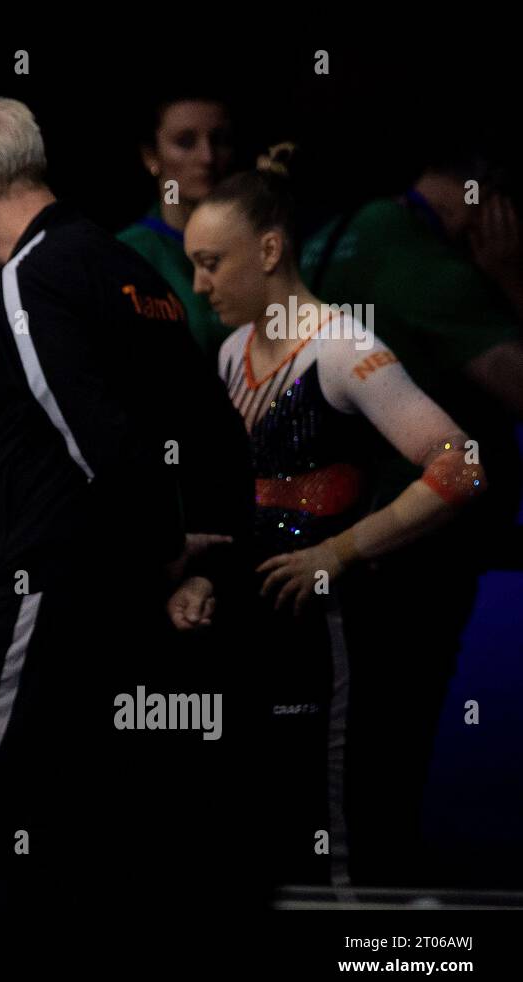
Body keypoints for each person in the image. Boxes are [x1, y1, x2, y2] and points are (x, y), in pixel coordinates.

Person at [0, 97, 261, 912]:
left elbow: (94, 438)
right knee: (75, 827)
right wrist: (204, 555)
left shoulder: (31, 276)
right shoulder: (126, 263)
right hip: (119, 601)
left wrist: (167, 548)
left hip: (53, 588)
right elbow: (213, 427)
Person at [185, 149, 489, 888]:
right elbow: (238, 492)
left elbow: (463, 464)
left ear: (269, 249)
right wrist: (196, 573)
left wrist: (341, 552)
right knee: (263, 817)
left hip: (332, 628)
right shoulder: (231, 352)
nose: (199, 283)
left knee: (336, 817)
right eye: (194, 264)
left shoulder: (343, 347)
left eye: (212, 263)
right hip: (255, 620)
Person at [118, 94, 236, 357]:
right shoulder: (127, 254)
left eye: (219, 140)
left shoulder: (251, 245)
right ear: (151, 157)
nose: (207, 157)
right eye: (185, 142)